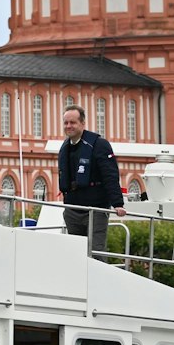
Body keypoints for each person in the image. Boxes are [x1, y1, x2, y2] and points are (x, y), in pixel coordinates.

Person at [56, 105, 123, 252]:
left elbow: (110, 175)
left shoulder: (99, 145)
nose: (69, 126)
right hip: (73, 209)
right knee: (76, 251)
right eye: (66, 123)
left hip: (95, 209)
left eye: (73, 122)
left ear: (82, 123)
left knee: (95, 251)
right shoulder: (65, 147)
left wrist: (117, 203)